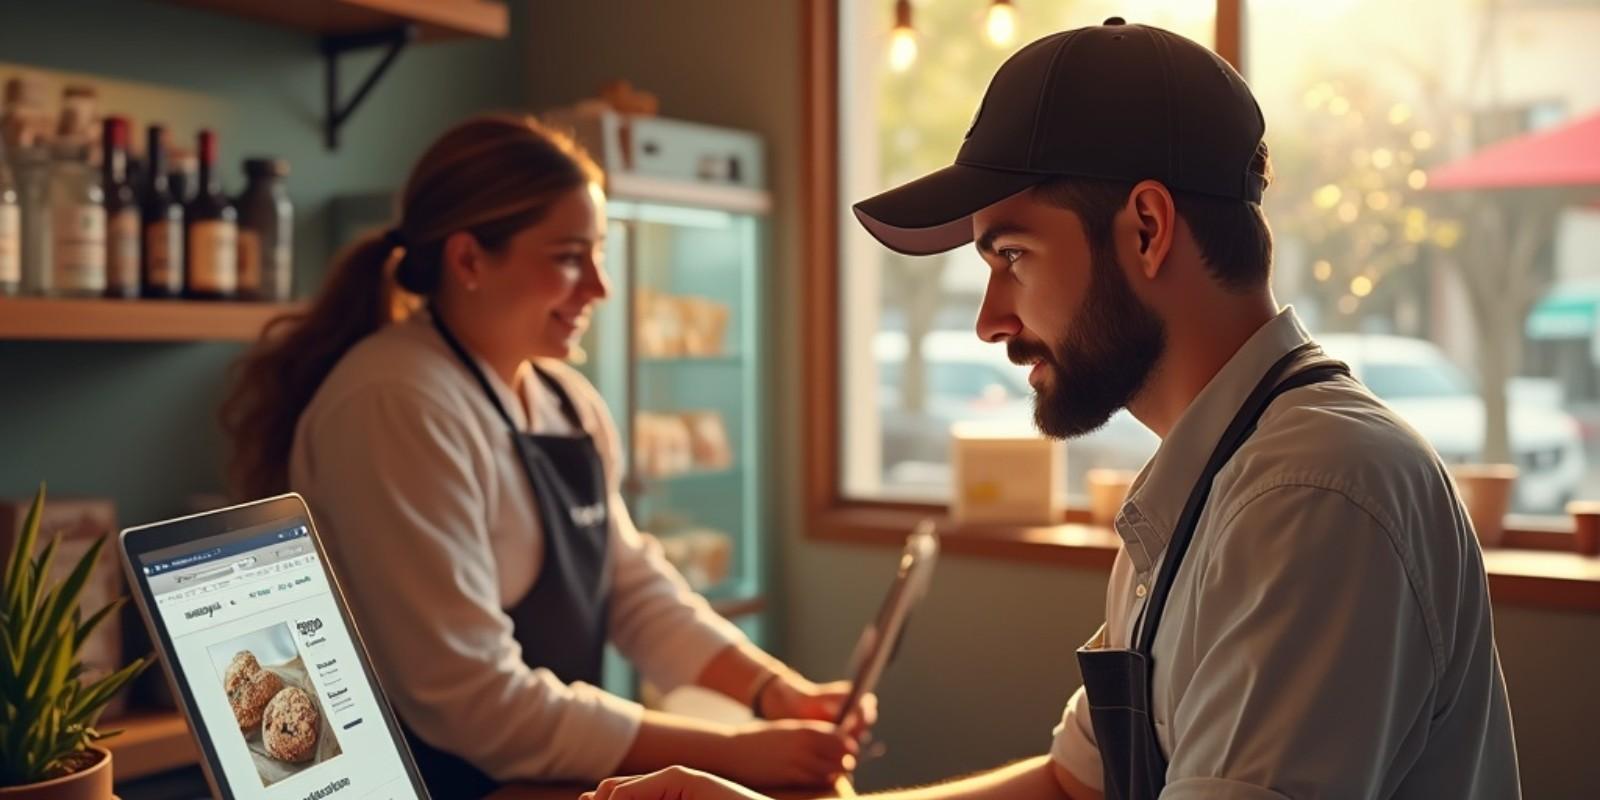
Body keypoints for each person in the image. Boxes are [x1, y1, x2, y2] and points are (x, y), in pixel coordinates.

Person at [583, 18, 1520, 800]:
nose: (991, 320)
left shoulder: (1311, 496)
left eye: (1011, 256)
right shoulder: (1207, 476)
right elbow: (1073, 786)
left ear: (1147, 229)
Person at [222, 114, 864, 799]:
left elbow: (634, 591)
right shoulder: (396, 405)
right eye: (567, 257)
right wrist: (738, 751)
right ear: (468, 259)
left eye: (599, 253)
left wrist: (777, 694)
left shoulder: (564, 397)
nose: (599, 286)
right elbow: (477, 701)